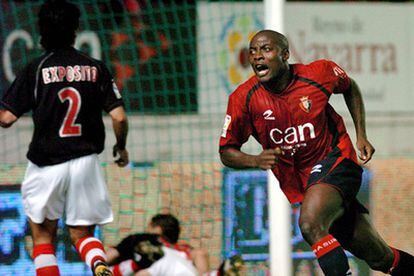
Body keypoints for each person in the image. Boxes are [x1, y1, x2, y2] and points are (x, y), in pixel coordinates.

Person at [219, 30, 414, 275]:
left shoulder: (317, 74)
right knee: (380, 258)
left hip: (337, 160)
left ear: (285, 54)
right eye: (253, 51)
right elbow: (226, 151)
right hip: (307, 184)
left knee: (310, 223)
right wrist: (254, 159)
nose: (258, 57)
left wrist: (361, 134)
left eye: (266, 49)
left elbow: (349, 87)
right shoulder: (243, 99)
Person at [0, 1, 129, 275]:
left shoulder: (36, 69)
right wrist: (121, 147)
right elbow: (119, 117)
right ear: (76, 30)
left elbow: (6, 119)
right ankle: (98, 263)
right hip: (86, 162)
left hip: (46, 162)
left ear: (42, 31)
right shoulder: (96, 68)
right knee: (82, 235)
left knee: (43, 238)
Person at [107, 213, 244, 276]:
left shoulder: (139, 239)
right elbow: (201, 254)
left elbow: (107, 257)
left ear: (155, 228)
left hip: (149, 266)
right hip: (177, 266)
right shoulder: (183, 249)